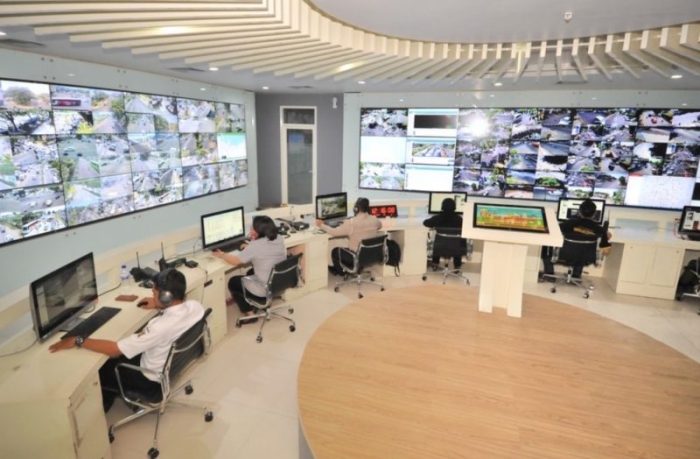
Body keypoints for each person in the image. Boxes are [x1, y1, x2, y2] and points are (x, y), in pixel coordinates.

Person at [49, 268, 205, 412]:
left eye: (154, 292)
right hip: (170, 366)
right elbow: (175, 316)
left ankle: (105, 407)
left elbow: (114, 350)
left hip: (150, 381)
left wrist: (78, 340)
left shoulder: (159, 328)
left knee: (104, 365)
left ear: (166, 297)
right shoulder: (195, 306)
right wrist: (159, 305)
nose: (152, 293)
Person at [213, 215, 286, 323]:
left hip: (265, 288)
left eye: (253, 228)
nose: (251, 230)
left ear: (259, 232)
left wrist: (222, 255)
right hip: (279, 282)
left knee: (234, 281)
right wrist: (249, 247)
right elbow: (264, 248)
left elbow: (235, 261)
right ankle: (256, 301)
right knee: (249, 272)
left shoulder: (255, 246)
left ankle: (250, 315)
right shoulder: (279, 238)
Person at [541, 198, 612, 279]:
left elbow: (553, 229)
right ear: (594, 214)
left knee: (546, 245)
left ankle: (549, 274)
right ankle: (576, 276)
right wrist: (606, 235)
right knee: (582, 250)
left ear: (579, 211)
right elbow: (606, 249)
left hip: (565, 255)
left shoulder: (568, 224)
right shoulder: (600, 229)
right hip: (587, 257)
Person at [316, 197, 382, 275]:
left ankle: (342, 272)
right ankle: (356, 266)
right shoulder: (375, 220)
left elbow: (333, 232)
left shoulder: (351, 223)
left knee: (335, 250)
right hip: (370, 255)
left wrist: (321, 225)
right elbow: (379, 226)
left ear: (356, 209)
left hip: (355, 256)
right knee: (343, 241)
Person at [423, 197, 465, 269]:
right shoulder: (459, 219)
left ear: (442, 207)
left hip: (440, 247)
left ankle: (435, 263)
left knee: (437, 239)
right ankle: (457, 265)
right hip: (455, 248)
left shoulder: (437, 218)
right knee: (459, 241)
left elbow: (425, 223)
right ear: (454, 207)